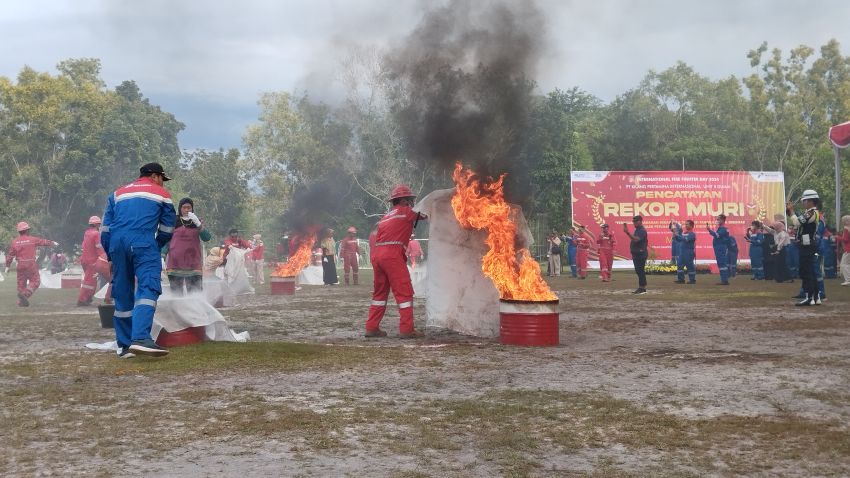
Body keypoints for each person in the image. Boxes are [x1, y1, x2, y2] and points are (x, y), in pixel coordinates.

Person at [101, 162, 176, 356]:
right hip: (143, 241)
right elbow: (168, 228)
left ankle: (125, 346)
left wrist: (110, 254)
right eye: (162, 179)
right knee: (148, 287)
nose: (163, 184)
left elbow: (105, 229)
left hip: (116, 244)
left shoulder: (117, 193)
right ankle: (141, 338)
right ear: (154, 176)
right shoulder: (162, 195)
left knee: (122, 290)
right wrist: (155, 246)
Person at [366, 184, 427, 339]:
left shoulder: (386, 217)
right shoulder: (406, 212)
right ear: (404, 200)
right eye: (410, 200)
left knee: (380, 293)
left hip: (377, 255)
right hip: (392, 256)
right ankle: (407, 329)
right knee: (404, 291)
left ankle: (371, 327)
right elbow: (425, 214)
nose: (411, 203)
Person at [165, 198, 211, 295]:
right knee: (177, 294)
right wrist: (162, 255)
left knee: (195, 293)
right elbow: (166, 239)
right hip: (175, 264)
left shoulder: (197, 222)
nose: (187, 210)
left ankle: (195, 310)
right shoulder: (173, 221)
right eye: (184, 207)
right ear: (180, 208)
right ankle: (178, 310)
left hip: (193, 264)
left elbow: (207, 238)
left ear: (192, 209)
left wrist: (198, 224)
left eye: (189, 208)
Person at [5, 221, 57, 307]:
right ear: (27, 230)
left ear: (19, 231)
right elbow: (43, 242)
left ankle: (21, 302)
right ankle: (25, 294)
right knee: (35, 281)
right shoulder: (32, 239)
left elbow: (10, 255)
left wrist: (7, 266)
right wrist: (52, 243)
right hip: (30, 264)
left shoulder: (15, 242)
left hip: (20, 265)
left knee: (21, 285)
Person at [787, 191, 822, 305]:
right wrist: (790, 212)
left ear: (811, 201)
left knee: (805, 271)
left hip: (807, 246)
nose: (803, 203)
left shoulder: (811, 212)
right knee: (810, 271)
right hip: (808, 245)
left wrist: (791, 211)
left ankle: (809, 297)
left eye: (804, 201)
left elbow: (797, 223)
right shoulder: (811, 212)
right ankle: (816, 297)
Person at [78, 216, 106, 306]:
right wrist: (104, 257)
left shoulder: (87, 233)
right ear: (96, 224)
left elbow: (84, 246)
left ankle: (88, 298)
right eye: (99, 224)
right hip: (92, 261)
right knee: (89, 281)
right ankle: (82, 300)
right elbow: (98, 247)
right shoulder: (96, 234)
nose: (99, 225)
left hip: (84, 260)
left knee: (92, 280)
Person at [623, 215, 648, 294]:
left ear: (640, 221)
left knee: (640, 270)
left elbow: (636, 239)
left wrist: (627, 232)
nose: (634, 223)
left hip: (641, 253)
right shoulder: (637, 230)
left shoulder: (642, 230)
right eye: (633, 221)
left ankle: (642, 287)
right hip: (637, 253)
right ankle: (642, 287)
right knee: (638, 271)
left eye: (635, 221)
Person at [706, 214, 730, 285]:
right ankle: (724, 280)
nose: (717, 221)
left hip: (721, 248)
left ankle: (724, 280)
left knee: (722, 263)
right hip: (719, 248)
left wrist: (709, 230)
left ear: (722, 220)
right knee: (721, 263)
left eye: (718, 219)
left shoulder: (723, 229)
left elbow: (717, 235)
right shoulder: (720, 228)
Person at [672, 220, 697, 284]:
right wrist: (675, 235)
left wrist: (677, 235)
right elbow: (679, 239)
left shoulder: (692, 234)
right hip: (682, 252)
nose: (686, 225)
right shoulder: (684, 233)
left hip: (689, 252)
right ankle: (681, 279)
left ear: (691, 226)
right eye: (685, 224)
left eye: (687, 224)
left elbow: (685, 239)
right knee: (679, 265)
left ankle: (692, 280)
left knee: (690, 266)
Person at [839, 215, 850, 286]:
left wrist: (837, 237)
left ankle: (848, 280)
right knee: (847, 264)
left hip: (848, 248)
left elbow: (845, 239)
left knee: (843, 264)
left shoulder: (846, 228)